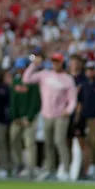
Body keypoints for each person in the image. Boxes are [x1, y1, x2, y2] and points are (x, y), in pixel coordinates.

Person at [23, 53, 77, 181]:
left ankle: (66, 170)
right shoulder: (44, 75)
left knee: (60, 141)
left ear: (62, 62)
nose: (55, 64)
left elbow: (72, 98)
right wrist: (34, 65)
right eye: (53, 61)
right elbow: (26, 79)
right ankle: (50, 170)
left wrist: (68, 110)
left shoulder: (67, 79)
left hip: (61, 115)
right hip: (46, 114)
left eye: (57, 61)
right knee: (48, 143)